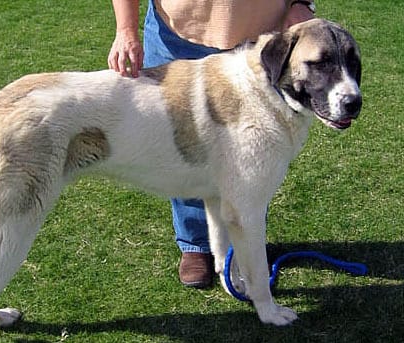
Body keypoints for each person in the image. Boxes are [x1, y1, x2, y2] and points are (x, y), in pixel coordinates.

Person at [108, 0, 316, 288]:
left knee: (253, 159)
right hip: (179, 37)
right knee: (183, 152)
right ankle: (196, 245)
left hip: (264, 43)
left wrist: (302, 3)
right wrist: (126, 29)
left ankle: (244, 250)